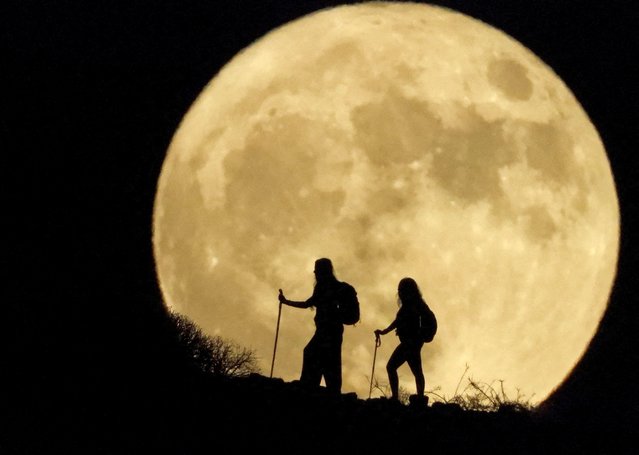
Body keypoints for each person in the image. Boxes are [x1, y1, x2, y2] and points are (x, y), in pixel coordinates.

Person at [278, 258, 356, 395]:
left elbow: (308, 304)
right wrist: (286, 302)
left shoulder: (333, 288)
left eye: (317, 270)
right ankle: (321, 390)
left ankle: (318, 391)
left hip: (330, 332)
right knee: (324, 359)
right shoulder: (323, 288)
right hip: (327, 331)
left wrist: (286, 302)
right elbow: (308, 303)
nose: (315, 273)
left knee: (322, 358)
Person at [374, 277, 430, 405]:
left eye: (401, 290)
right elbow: (398, 322)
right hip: (412, 343)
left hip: (410, 343)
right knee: (417, 371)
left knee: (391, 367)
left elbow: (399, 322)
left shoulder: (413, 305)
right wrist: (384, 331)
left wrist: (385, 331)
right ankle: (420, 398)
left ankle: (396, 398)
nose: (399, 292)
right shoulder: (414, 304)